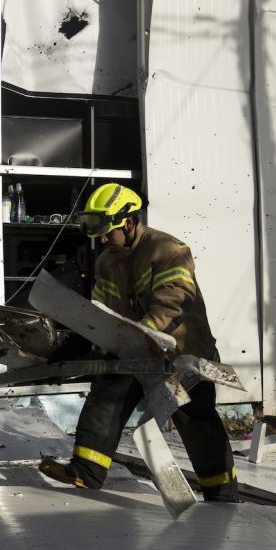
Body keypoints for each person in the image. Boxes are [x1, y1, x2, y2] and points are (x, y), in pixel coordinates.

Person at [38, 183, 239, 501]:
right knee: (105, 397)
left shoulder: (168, 249)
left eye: (108, 231)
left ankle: (221, 491)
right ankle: (86, 471)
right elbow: (99, 311)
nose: (103, 239)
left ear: (128, 223)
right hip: (134, 350)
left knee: (195, 418)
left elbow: (175, 300)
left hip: (182, 353)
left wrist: (144, 332)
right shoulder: (107, 261)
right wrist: (77, 343)